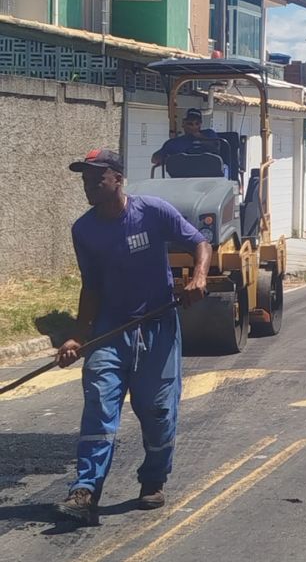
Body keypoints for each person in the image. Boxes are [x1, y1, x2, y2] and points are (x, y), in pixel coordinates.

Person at [54, 148, 212, 525]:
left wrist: (198, 277)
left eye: (97, 178)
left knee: (158, 411)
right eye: (85, 179)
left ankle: (153, 478)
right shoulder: (84, 229)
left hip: (157, 327)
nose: (89, 185)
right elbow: (90, 286)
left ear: (118, 179)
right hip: (110, 329)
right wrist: (78, 336)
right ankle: (85, 490)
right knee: (99, 404)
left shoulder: (153, 212)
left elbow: (199, 242)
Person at [150, 108, 219, 169]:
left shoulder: (209, 134)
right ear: (183, 123)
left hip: (208, 175)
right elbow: (154, 159)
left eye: (197, 123)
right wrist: (171, 160)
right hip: (182, 178)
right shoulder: (173, 143)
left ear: (201, 124)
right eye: (190, 123)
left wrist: (200, 137)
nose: (193, 126)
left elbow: (217, 147)